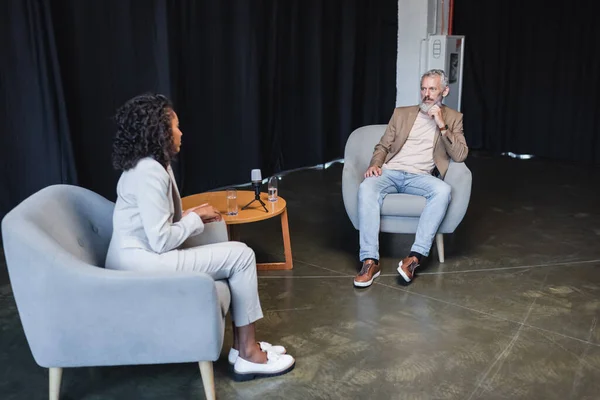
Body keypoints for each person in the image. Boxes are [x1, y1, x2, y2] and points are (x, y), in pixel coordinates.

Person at [104, 93, 295, 381]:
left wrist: (196, 213)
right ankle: (248, 354)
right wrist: (193, 219)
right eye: (175, 126)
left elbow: (155, 221)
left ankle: (242, 345)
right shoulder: (149, 172)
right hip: (139, 264)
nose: (181, 132)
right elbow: (160, 241)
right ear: (159, 132)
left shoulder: (153, 164)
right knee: (242, 255)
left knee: (223, 238)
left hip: (143, 254)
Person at [353, 69, 468, 288]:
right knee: (366, 187)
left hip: (421, 177)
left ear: (444, 90)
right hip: (391, 172)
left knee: (443, 191)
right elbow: (383, 145)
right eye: (423, 89)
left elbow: (460, 154)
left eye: (432, 89)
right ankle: (370, 261)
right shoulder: (401, 113)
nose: (426, 94)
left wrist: (441, 124)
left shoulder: (454, 118)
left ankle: (414, 259)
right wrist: (375, 164)